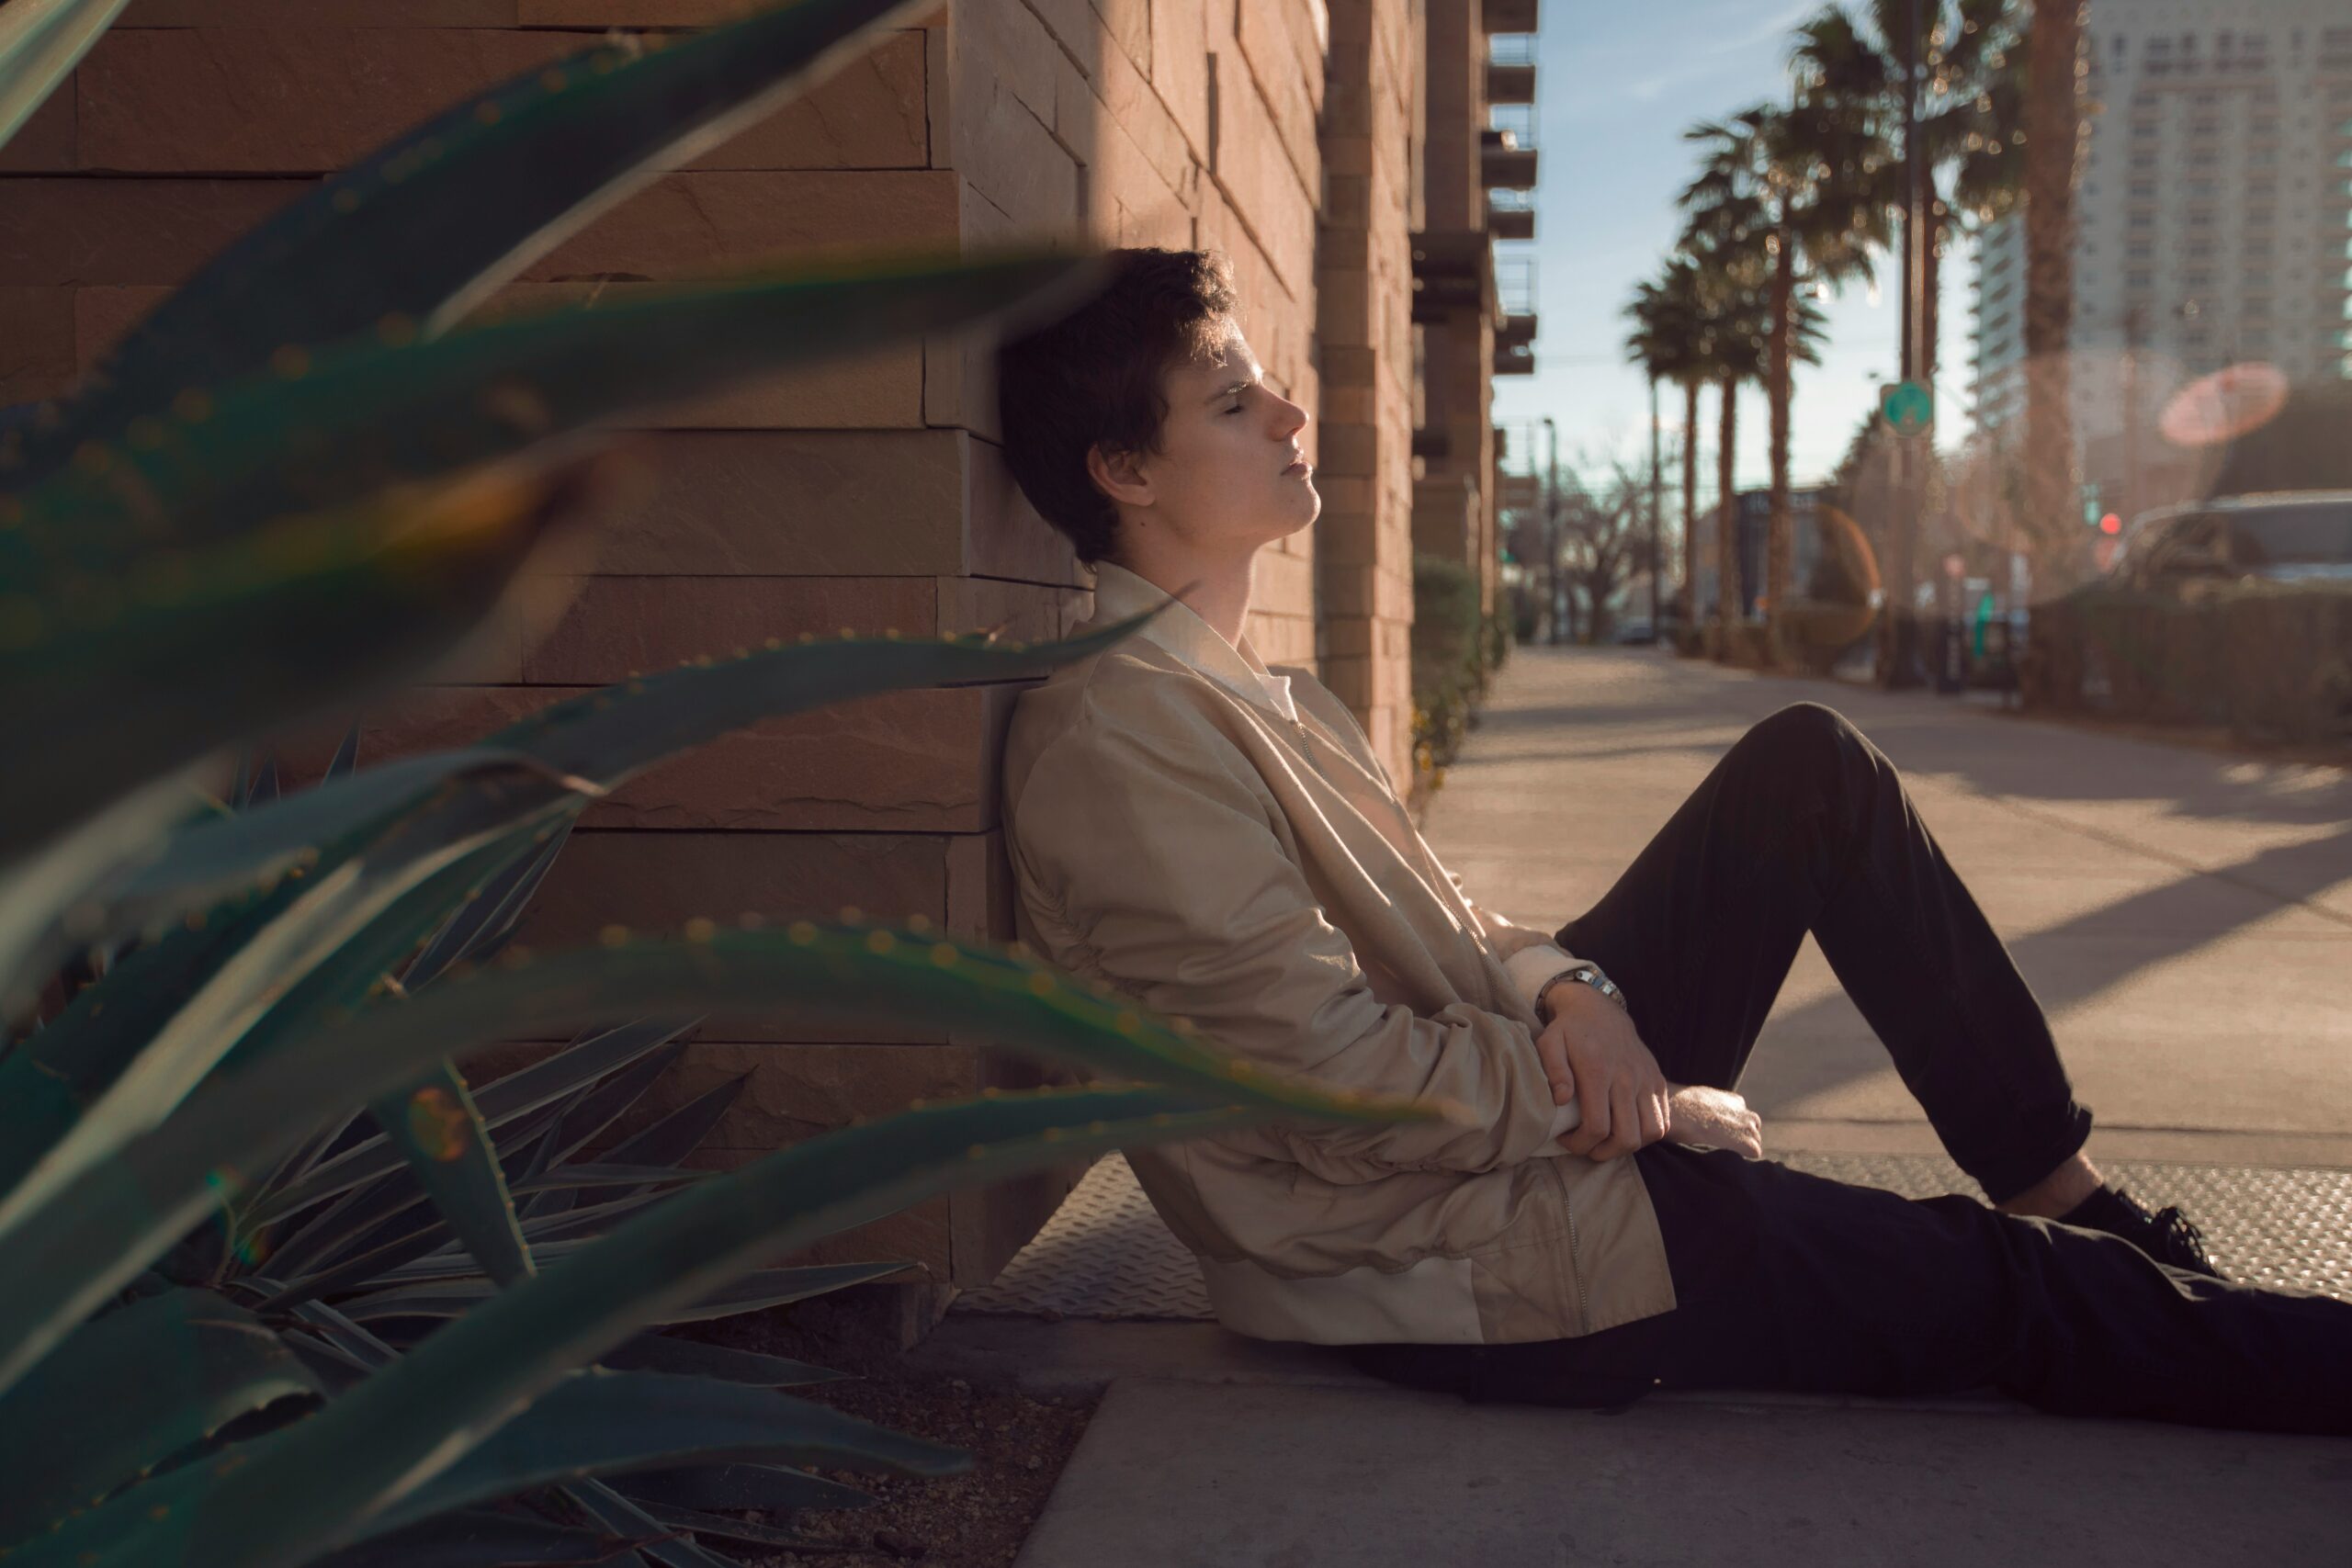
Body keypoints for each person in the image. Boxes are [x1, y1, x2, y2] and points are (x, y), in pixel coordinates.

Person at [992, 248, 2351, 1435]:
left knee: (1809, 768)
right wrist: (1633, 1108)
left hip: (1505, 1123)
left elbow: (1449, 918)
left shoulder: (1262, 694)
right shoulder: (1121, 740)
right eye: (1234, 403)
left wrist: (1569, 991)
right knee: (2016, 1294)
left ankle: (2068, 1187)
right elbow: (1323, 1084)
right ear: (1124, 470)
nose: (1291, 411)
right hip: (1460, 1258)